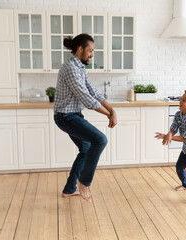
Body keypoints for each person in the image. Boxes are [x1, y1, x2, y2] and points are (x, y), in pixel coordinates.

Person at [54, 33, 117, 203]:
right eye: (90, 51)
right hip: (66, 117)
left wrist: (112, 110)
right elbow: (86, 98)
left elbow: (91, 90)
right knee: (100, 140)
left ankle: (69, 190)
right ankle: (84, 182)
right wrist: (108, 114)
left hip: (73, 115)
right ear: (80, 49)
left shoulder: (79, 67)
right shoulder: (70, 68)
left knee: (86, 149)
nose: (92, 55)